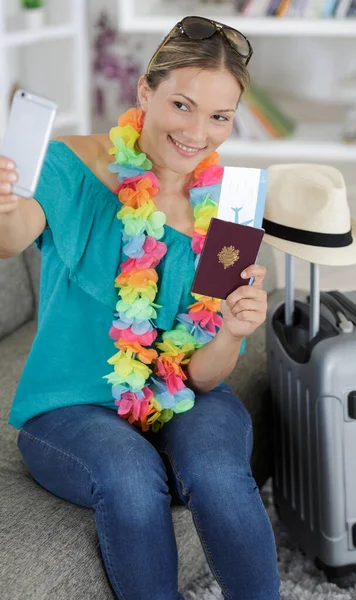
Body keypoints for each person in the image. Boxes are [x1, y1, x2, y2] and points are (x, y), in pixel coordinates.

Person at [0, 15, 280, 600]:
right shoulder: (70, 166)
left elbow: (203, 374)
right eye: (182, 105)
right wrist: (4, 202)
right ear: (144, 91)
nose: (198, 132)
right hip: (69, 406)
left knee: (218, 473)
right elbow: (10, 237)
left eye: (219, 117)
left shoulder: (230, 208)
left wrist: (230, 330)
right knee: (129, 476)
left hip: (183, 396)